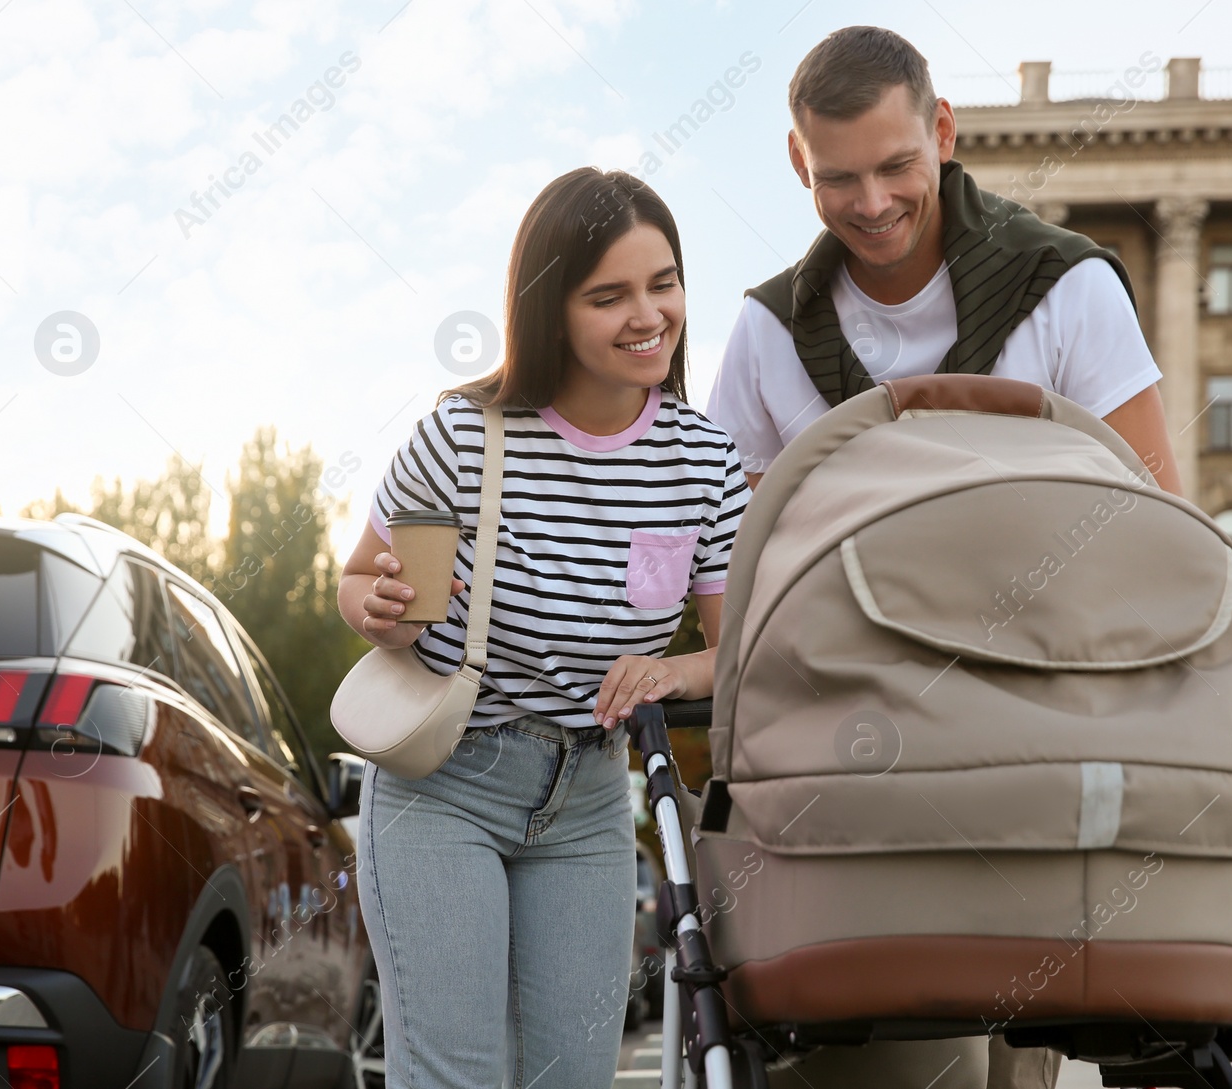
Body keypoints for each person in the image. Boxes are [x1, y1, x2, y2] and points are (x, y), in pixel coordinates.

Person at [705, 25, 1182, 1089]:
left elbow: (1155, 522)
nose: (870, 203)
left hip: (1042, 742)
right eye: (837, 178)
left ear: (944, 134)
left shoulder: (1065, 288)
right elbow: (725, 576)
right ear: (797, 164)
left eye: (895, 168)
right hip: (858, 761)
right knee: (886, 1057)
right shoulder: (765, 337)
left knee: (1021, 1054)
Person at [340, 167, 748, 1089]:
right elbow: (365, 580)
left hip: (592, 798)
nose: (648, 315)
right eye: (609, 296)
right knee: (456, 1074)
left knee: (571, 1075)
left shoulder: (706, 461)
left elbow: (735, 652)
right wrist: (375, 608)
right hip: (445, 783)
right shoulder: (463, 436)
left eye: (664, 283)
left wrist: (669, 673)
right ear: (547, 309)